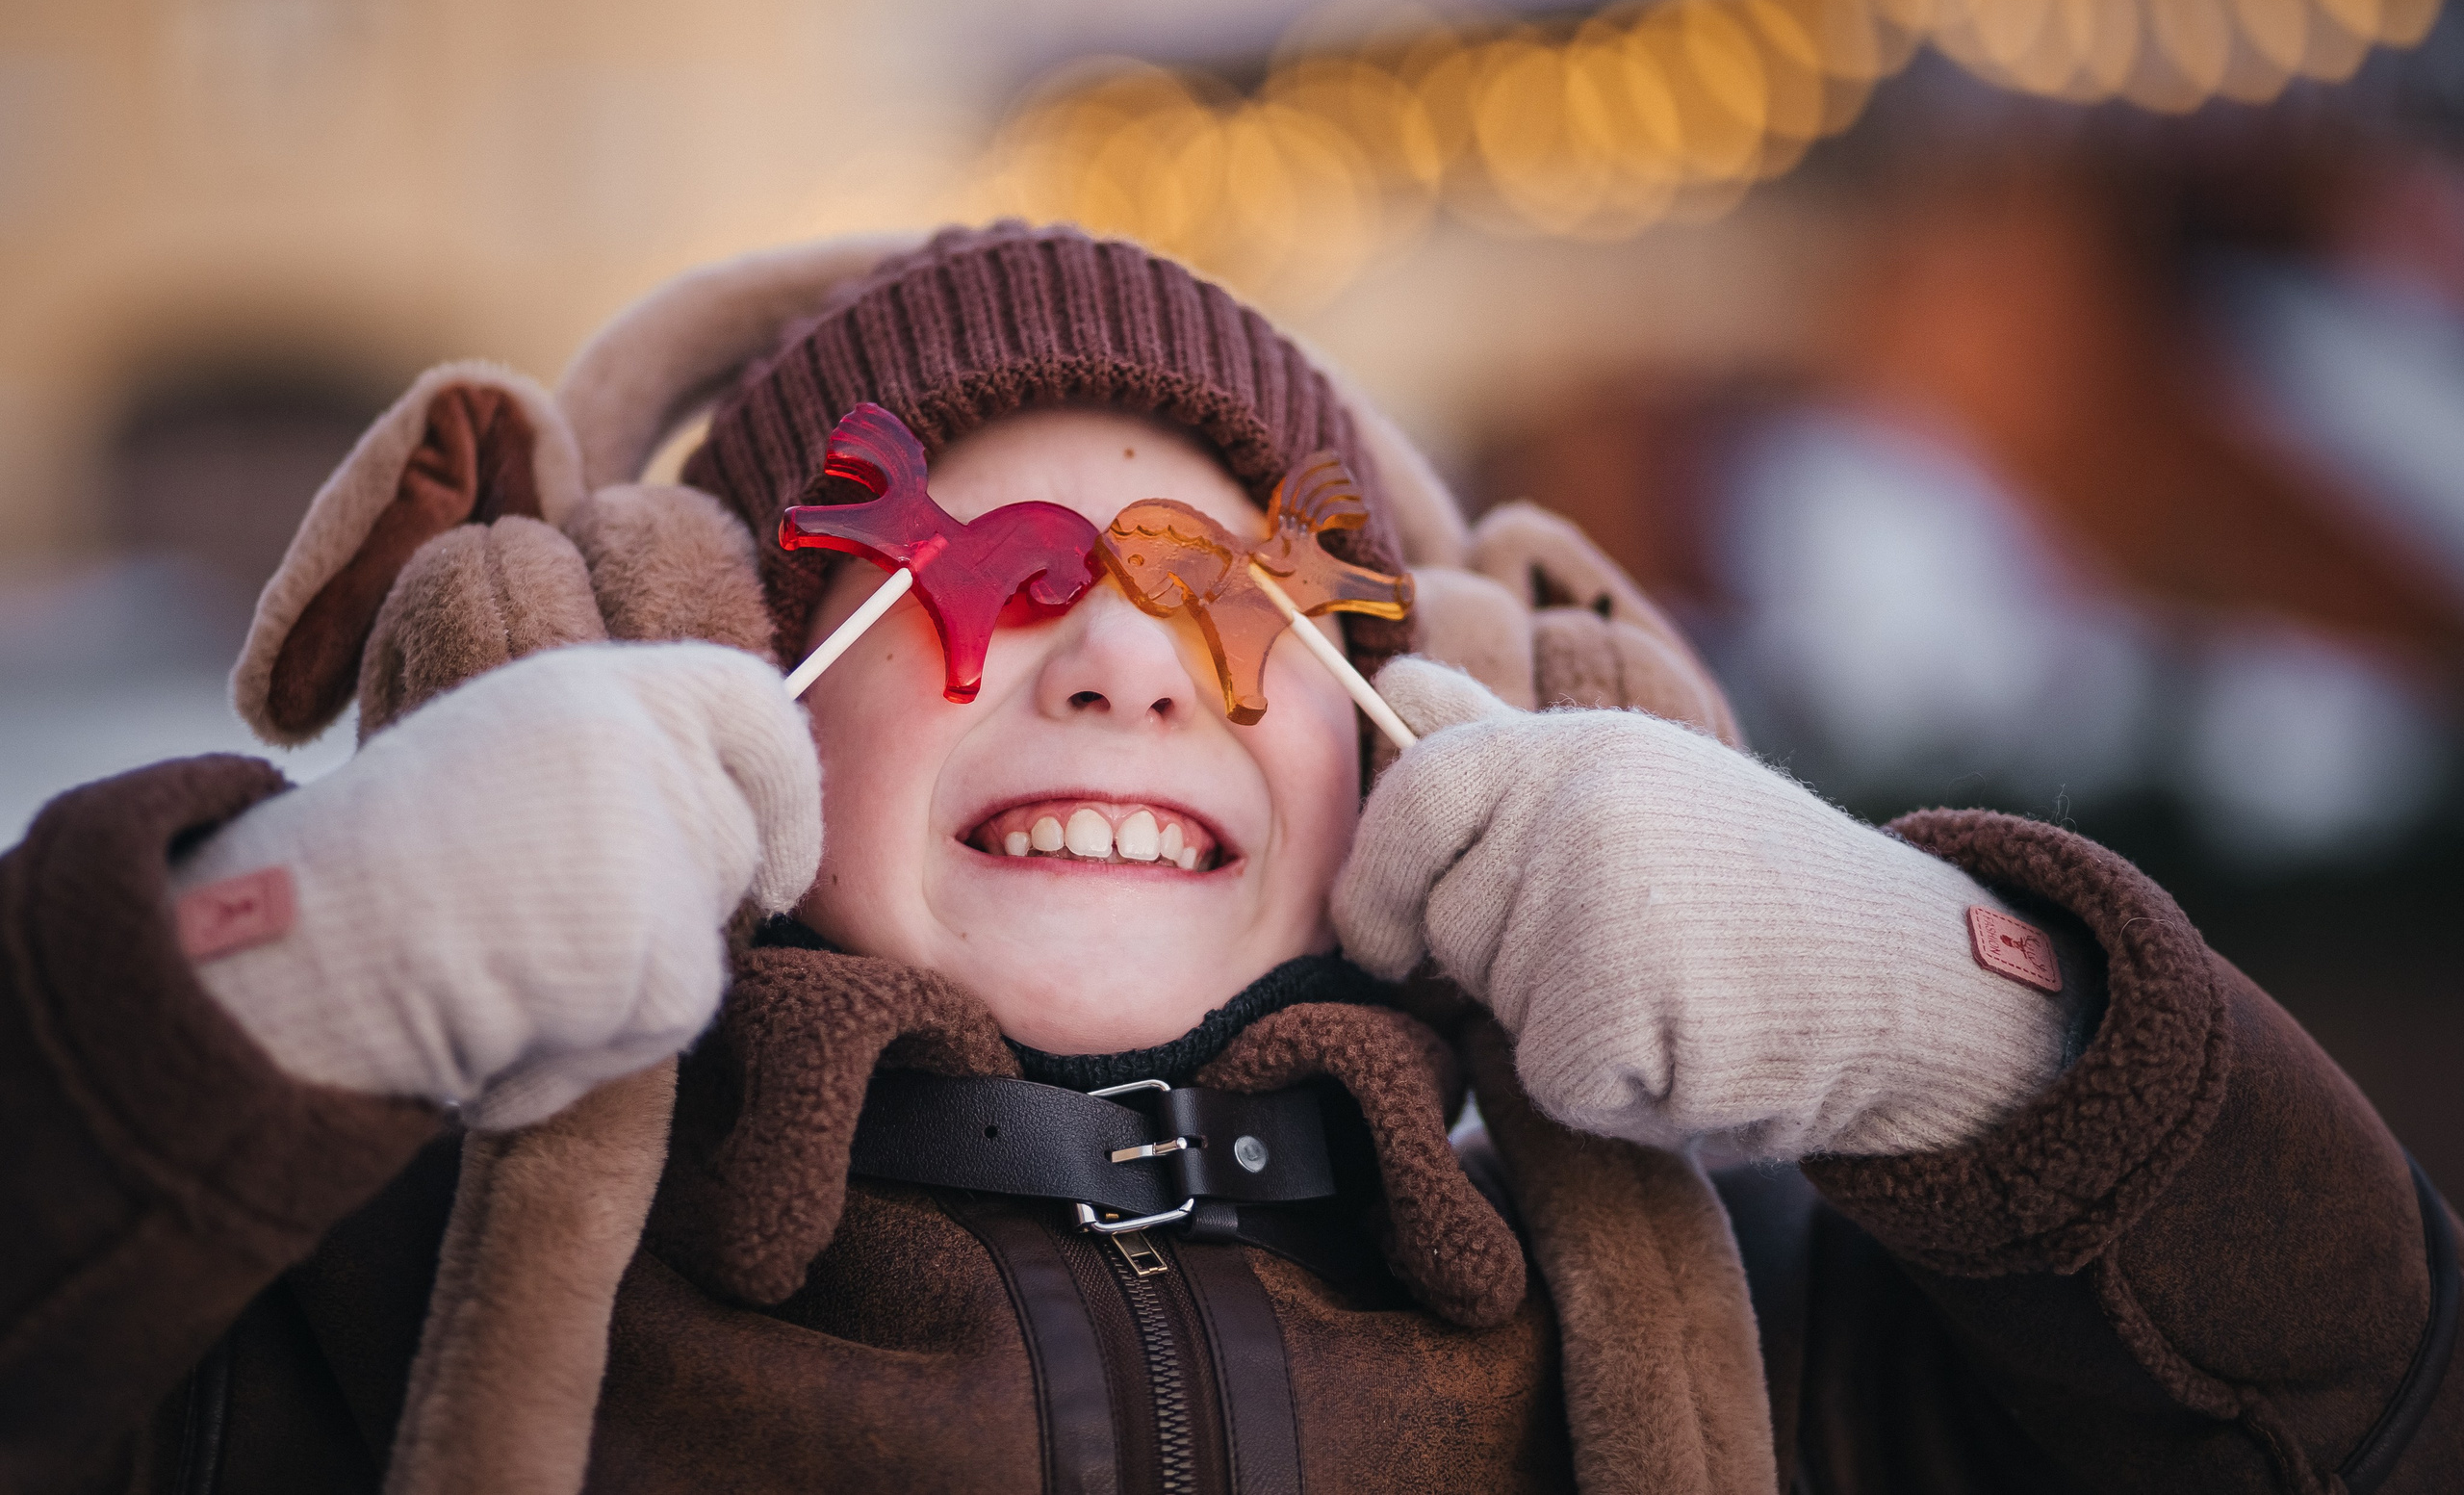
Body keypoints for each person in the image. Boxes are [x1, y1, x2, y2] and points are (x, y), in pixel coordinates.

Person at [2, 223, 2452, 1495]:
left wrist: (1969, 1028)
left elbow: (2369, 1410)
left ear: (1419, 725)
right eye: (975, 579)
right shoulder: (342, 1306)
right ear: (703, 661)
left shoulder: (1761, 1333)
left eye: (1234, 594)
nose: (1124, 665)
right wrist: (275, 972)